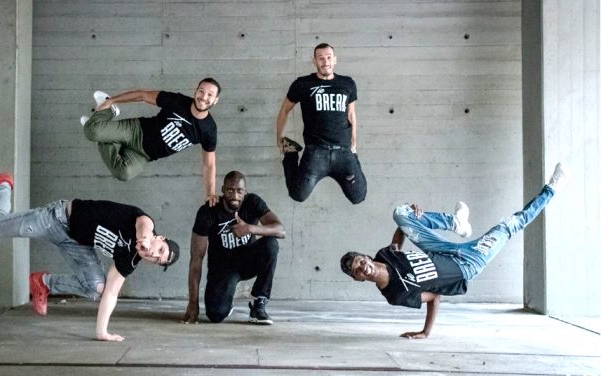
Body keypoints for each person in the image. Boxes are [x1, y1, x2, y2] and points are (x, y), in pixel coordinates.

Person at [340, 163, 567, 339]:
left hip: (442, 250)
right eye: (356, 272)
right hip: (467, 263)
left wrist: (412, 210)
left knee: (400, 214)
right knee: (509, 225)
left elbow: (402, 229)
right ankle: (552, 188)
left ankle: (455, 222)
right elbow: (434, 297)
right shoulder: (395, 294)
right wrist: (425, 332)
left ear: (366, 257)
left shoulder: (385, 254)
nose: (362, 268)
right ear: (358, 279)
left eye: (360, 262)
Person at [0, 172, 180, 342]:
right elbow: (144, 225)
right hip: (57, 219)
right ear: (159, 238)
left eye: (156, 260)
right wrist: (143, 238)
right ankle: (2, 184)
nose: (153, 255)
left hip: (76, 243)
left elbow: (111, 294)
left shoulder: (130, 260)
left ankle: (44, 283)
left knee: (97, 287)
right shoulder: (144, 222)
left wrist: (102, 332)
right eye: (160, 250)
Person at [80, 78, 221, 206]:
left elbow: (209, 164)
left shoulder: (209, 129)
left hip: (144, 155)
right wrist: (112, 101)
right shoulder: (177, 101)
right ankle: (109, 111)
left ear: (216, 100)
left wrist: (210, 193)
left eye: (210, 95)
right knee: (91, 132)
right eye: (201, 91)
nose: (203, 97)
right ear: (195, 91)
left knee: (124, 173)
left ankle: (101, 132)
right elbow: (142, 95)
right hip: (136, 131)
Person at [183, 171, 285, 325]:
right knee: (216, 315)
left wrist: (251, 228)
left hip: (248, 261)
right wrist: (192, 302)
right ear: (223, 190)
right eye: (230, 190)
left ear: (245, 192)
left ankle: (258, 304)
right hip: (222, 268)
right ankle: (226, 300)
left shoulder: (253, 202)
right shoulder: (208, 211)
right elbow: (196, 259)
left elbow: (280, 230)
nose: (235, 196)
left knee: (271, 244)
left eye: (239, 191)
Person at [275, 43, 367, 204]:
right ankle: (291, 154)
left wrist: (354, 144)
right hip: (316, 153)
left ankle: (354, 159)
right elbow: (284, 110)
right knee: (298, 195)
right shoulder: (303, 84)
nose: (326, 62)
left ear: (335, 59)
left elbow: (351, 113)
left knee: (358, 196)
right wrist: (279, 137)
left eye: (329, 57)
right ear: (315, 61)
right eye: (321, 58)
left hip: (343, 152)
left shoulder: (347, 83)